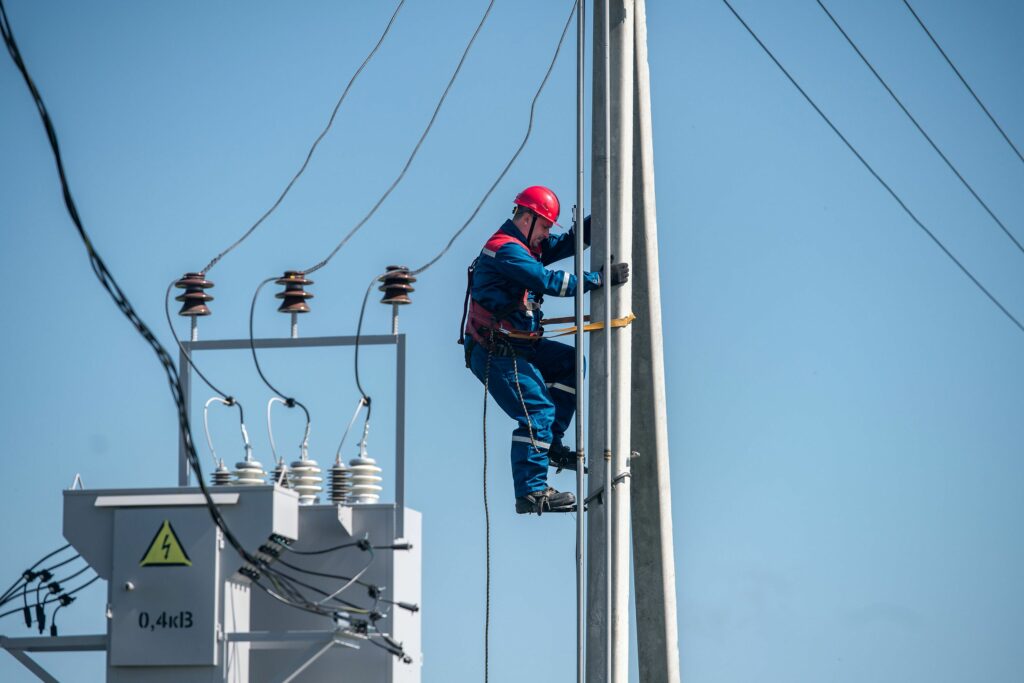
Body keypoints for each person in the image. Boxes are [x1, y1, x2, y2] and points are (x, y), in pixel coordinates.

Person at [460, 185, 629, 514]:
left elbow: (562, 245)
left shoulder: (526, 244)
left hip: (517, 346)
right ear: (527, 219)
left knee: (569, 364)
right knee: (537, 412)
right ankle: (531, 492)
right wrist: (597, 279)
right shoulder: (505, 250)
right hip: (494, 352)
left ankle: (549, 444)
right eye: (546, 226)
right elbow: (548, 280)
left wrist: (596, 225)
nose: (548, 234)